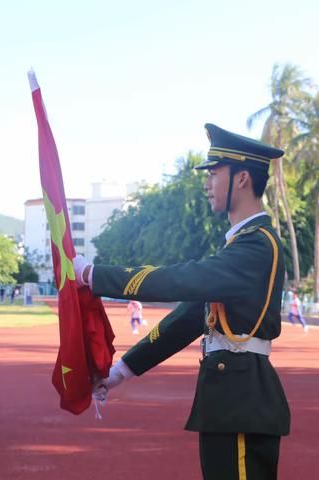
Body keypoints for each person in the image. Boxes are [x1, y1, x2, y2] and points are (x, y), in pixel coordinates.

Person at [74, 124, 290, 480]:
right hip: (231, 398)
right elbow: (189, 317)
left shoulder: (257, 244)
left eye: (215, 172)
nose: (207, 183)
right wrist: (122, 371)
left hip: (241, 400)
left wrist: (95, 276)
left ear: (241, 179)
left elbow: (180, 279)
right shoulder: (242, 245)